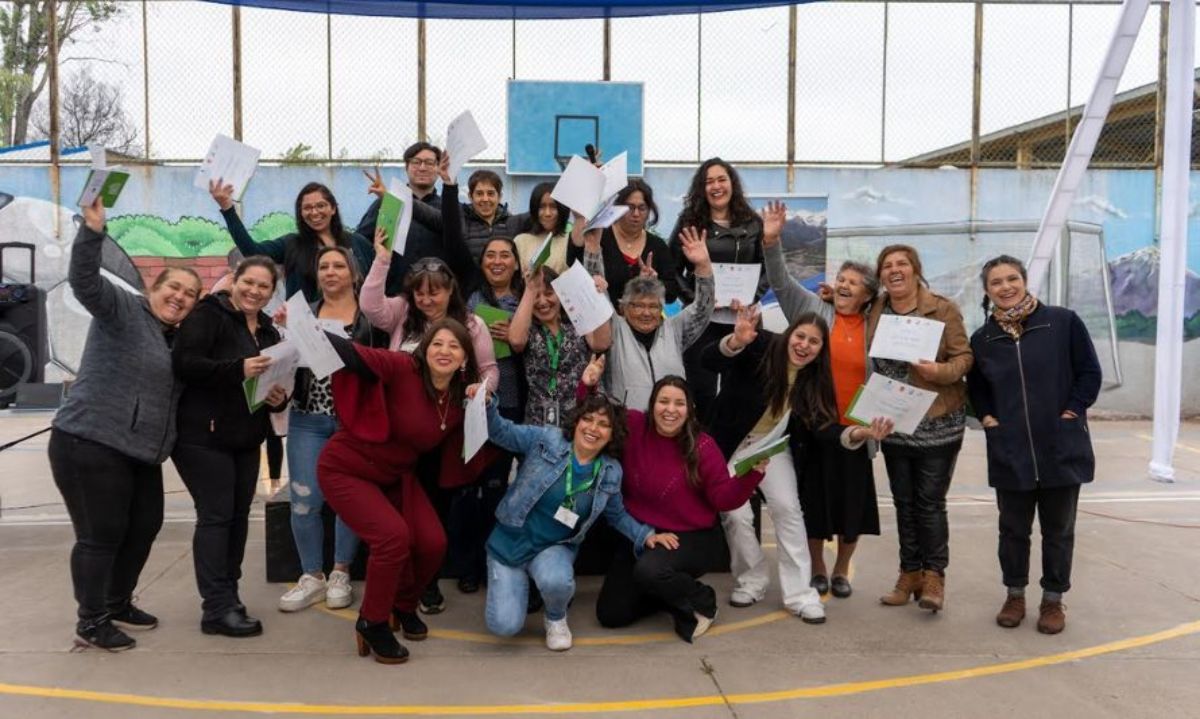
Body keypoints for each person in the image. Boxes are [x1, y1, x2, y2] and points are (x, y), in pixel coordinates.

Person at [48, 198, 202, 651]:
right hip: (90, 441)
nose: (180, 298)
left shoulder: (178, 338)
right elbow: (84, 282)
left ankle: (116, 601)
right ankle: (91, 620)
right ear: (155, 288)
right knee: (101, 536)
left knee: (145, 525)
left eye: (190, 295)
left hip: (140, 452)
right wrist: (92, 232)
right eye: (174, 288)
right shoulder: (123, 309)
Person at [317, 319, 496, 664]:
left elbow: (478, 440)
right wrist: (301, 328)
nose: (444, 351)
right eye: (437, 344)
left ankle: (402, 605)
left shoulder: (461, 397)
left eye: (454, 346)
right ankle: (373, 620)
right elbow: (352, 355)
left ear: (465, 359)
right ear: (424, 349)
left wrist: (487, 400)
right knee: (392, 537)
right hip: (347, 467)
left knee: (433, 543)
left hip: (396, 476)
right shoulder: (401, 367)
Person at [702, 307, 882, 624]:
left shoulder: (814, 378)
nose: (804, 345)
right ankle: (752, 579)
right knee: (735, 513)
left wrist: (860, 432)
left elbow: (823, 426)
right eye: (800, 336)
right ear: (789, 335)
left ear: (821, 350)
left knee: (788, 509)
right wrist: (735, 341)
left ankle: (800, 594)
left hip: (770, 449)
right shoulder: (760, 346)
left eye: (814, 342)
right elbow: (709, 361)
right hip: (730, 447)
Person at [470, 383, 679, 651]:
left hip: (554, 547)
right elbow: (503, 433)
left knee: (556, 580)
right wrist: (487, 404)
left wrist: (647, 535)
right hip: (510, 542)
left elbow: (616, 515)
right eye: (588, 419)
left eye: (603, 424)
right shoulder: (547, 439)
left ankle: (555, 617)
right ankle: (516, 579)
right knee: (504, 626)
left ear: (612, 434)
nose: (593, 428)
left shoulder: (610, 471)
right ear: (577, 421)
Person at [581, 364, 768, 642]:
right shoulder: (632, 425)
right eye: (664, 401)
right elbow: (594, 415)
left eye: (679, 403)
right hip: (644, 535)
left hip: (693, 536)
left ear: (689, 408)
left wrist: (753, 474)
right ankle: (664, 591)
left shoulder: (702, 446)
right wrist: (589, 385)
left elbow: (723, 498)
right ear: (652, 404)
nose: (671, 409)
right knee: (612, 614)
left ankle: (702, 599)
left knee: (650, 571)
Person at [967, 255, 1101, 635]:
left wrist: (1073, 411)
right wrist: (989, 419)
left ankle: (1053, 601)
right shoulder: (984, 339)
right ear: (987, 290)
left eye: (1012, 279)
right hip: (1010, 449)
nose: (1006, 287)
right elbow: (976, 389)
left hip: (1060, 446)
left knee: (1058, 530)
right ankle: (1014, 594)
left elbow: (1089, 373)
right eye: (996, 282)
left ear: (1024, 281)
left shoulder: (1062, 322)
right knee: (1013, 530)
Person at [760, 201, 882, 598]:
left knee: (853, 506)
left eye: (853, 283)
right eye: (841, 279)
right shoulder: (815, 308)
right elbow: (780, 282)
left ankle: (842, 569)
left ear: (867, 296)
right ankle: (816, 567)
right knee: (812, 501)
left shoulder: (874, 325)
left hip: (858, 429)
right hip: (815, 426)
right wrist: (772, 240)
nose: (844, 285)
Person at [172, 256, 289, 637]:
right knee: (216, 516)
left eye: (263, 286)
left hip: (245, 435)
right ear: (234, 280)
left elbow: (276, 383)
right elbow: (186, 364)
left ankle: (229, 595)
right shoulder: (209, 315)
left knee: (238, 518)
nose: (254, 291)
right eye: (248, 282)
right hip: (203, 436)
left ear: (272, 292)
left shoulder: (270, 331)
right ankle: (216, 608)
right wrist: (238, 369)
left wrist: (278, 398)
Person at [277, 246, 388, 613]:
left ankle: (340, 571)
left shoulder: (369, 319)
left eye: (338, 265)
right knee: (304, 499)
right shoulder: (300, 313)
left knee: (348, 501)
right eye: (323, 266)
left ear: (353, 274)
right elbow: (284, 363)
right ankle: (312, 575)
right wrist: (280, 331)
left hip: (352, 420)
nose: (330, 272)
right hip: (307, 416)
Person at [868, 244, 973, 613]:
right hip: (894, 421)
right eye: (887, 265)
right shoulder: (875, 309)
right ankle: (909, 572)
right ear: (880, 275)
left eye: (902, 264)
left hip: (937, 423)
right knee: (903, 502)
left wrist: (939, 372)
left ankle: (934, 577)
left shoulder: (943, 309)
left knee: (929, 503)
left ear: (916, 270)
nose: (894, 270)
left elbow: (964, 357)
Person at [669, 158, 766, 424]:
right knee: (702, 394)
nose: (716, 186)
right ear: (701, 188)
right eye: (708, 181)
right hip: (703, 323)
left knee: (746, 391)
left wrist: (751, 297)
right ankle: (701, 452)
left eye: (721, 179)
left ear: (732, 183)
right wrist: (701, 300)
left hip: (745, 319)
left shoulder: (753, 223)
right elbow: (673, 270)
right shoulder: (690, 222)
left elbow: (768, 269)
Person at [460, 237, 528, 593]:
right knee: (478, 489)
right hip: (479, 402)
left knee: (504, 489)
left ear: (516, 263)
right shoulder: (470, 301)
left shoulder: (529, 296)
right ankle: (473, 562)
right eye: (491, 256)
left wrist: (520, 334)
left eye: (506, 255)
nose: (498, 261)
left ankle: (503, 562)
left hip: (518, 402)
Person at [583, 224, 713, 409]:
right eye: (638, 305)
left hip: (672, 423)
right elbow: (595, 292)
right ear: (624, 307)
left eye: (653, 306)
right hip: (628, 427)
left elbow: (703, 309)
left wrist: (703, 265)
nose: (646, 313)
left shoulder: (674, 330)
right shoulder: (615, 329)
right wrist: (592, 247)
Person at [210, 180, 373, 302]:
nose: (314, 212)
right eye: (307, 208)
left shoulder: (357, 243)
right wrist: (228, 209)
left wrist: (386, 198)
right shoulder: (292, 244)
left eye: (321, 205)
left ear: (333, 208)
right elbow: (252, 250)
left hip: (357, 328)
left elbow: (381, 274)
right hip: (307, 330)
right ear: (300, 213)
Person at [509, 265, 612, 427]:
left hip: (583, 417)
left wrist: (598, 297)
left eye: (549, 293)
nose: (543, 301)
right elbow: (516, 341)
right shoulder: (525, 324)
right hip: (539, 419)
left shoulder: (576, 319)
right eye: (537, 296)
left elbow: (601, 343)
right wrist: (530, 289)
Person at [356, 142, 454, 289]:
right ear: (406, 167)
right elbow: (360, 243)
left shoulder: (448, 209)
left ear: (439, 168)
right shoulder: (383, 203)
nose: (422, 167)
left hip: (436, 295)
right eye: (416, 162)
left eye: (429, 163)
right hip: (392, 295)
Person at [566, 179, 679, 305]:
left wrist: (654, 284)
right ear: (617, 208)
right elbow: (572, 263)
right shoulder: (599, 236)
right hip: (603, 319)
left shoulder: (658, 246)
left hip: (644, 321)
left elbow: (672, 293)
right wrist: (579, 219)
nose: (636, 214)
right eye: (630, 208)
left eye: (642, 208)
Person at [459, 169, 528, 263]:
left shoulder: (512, 223)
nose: (485, 199)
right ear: (470, 196)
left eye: (490, 194)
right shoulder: (461, 223)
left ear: (499, 197)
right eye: (479, 194)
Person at [513, 182, 570, 274]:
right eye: (542, 207)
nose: (547, 213)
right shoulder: (521, 241)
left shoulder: (570, 241)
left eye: (553, 207)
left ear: (562, 209)